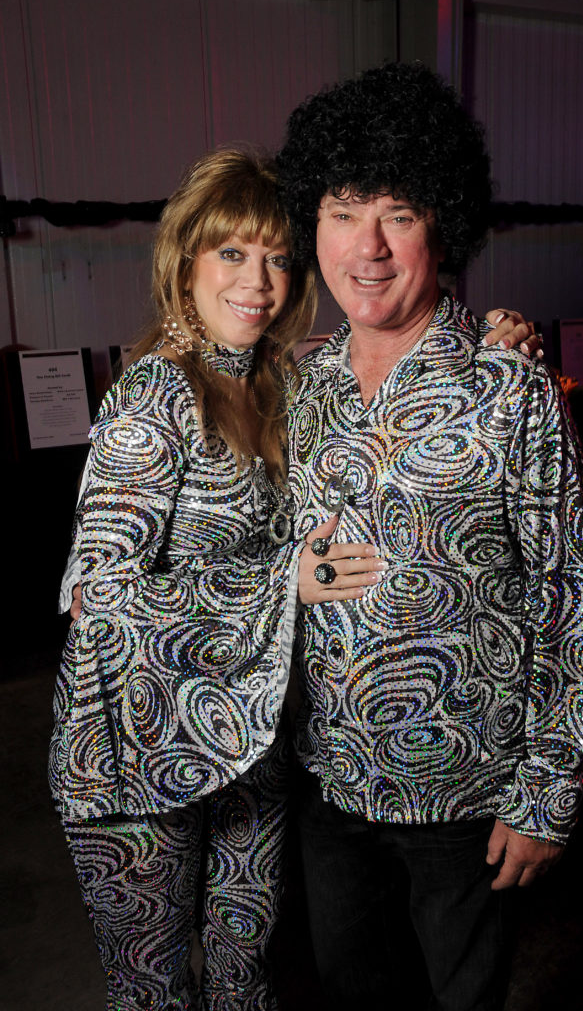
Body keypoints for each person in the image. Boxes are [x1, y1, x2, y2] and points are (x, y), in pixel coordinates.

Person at [277, 62, 583, 1011]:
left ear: (443, 227)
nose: (367, 246)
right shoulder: (298, 385)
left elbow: (568, 599)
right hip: (326, 783)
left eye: (400, 213)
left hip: (467, 801)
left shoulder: (514, 392)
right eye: (343, 211)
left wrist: (547, 793)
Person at [48, 147, 383, 1011]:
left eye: (276, 257)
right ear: (184, 262)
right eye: (232, 253)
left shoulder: (281, 381)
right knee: (153, 990)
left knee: (244, 975)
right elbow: (100, 597)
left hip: (250, 733)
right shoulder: (154, 395)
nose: (258, 281)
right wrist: (284, 587)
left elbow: (380, 371)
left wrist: (487, 340)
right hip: (134, 741)